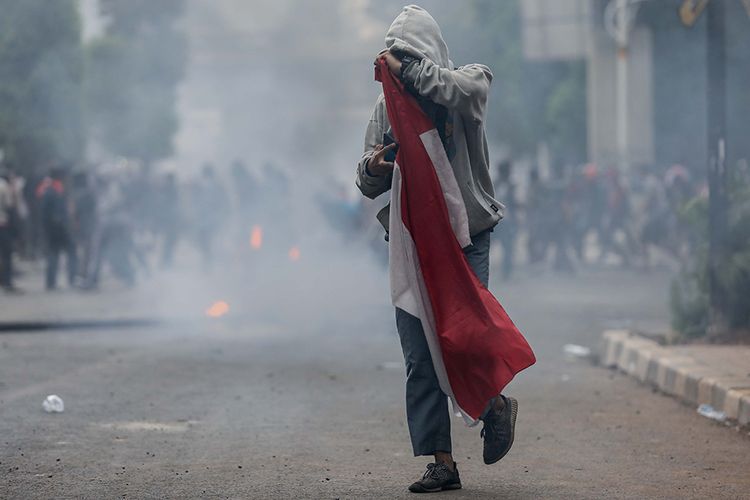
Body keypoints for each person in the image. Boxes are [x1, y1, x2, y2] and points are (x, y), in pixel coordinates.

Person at [356, 6, 522, 493]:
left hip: (466, 234)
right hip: (411, 242)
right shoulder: (386, 109)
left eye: (408, 56)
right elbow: (364, 179)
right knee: (419, 355)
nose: (398, 68)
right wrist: (377, 166)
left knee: (465, 338)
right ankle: (442, 462)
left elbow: (464, 91)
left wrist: (409, 68)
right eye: (395, 57)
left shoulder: (465, 83)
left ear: (427, 53)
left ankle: (494, 406)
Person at [37, 167, 77, 290]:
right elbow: (47, 214)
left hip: (56, 229)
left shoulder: (55, 190)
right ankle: (70, 279)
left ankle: (52, 282)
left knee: (55, 254)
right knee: (67, 252)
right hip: (57, 230)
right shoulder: (51, 192)